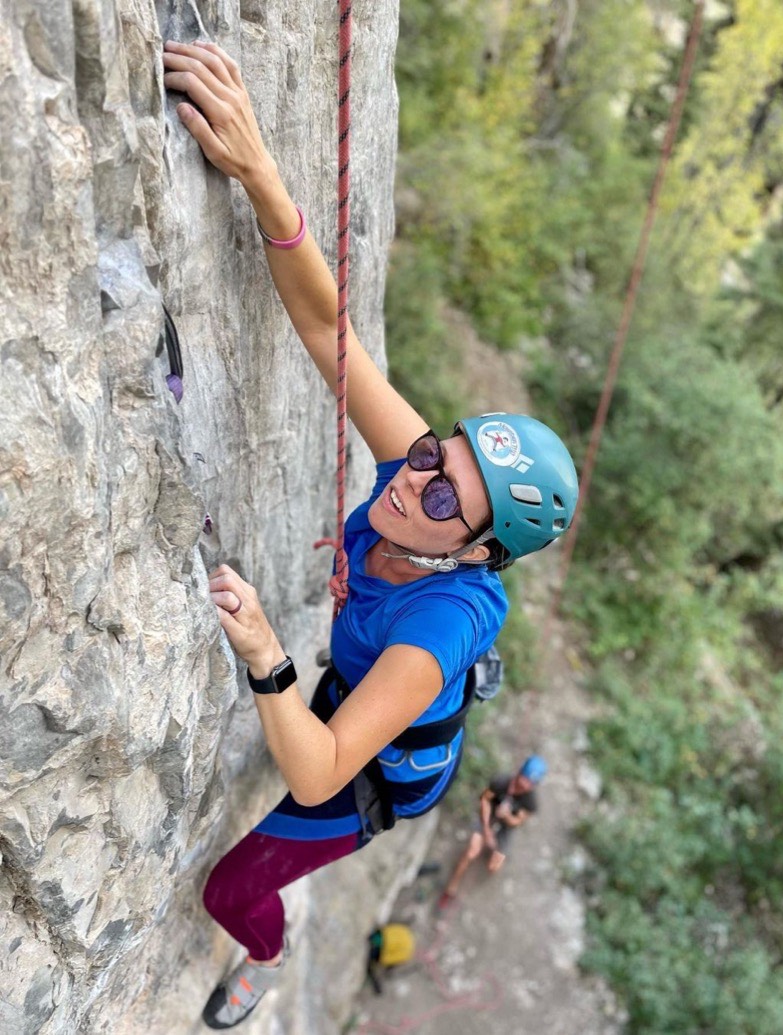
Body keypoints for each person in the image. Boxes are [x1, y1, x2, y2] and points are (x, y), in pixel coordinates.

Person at [161, 39, 578, 1030]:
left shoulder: (438, 629)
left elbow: (317, 772)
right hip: (356, 690)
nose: (416, 485)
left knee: (232, 891)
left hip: (377, 780)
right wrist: (265, 179)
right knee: (322, 716)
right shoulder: (421, 479)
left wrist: (265, 655)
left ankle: (264, 955)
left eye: (446, 500)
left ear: (478, 551)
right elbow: (327, 335)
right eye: (437, 456)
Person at [438, 755, 548, 911]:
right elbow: (484, 800)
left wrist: (507, 816)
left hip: (506, 827)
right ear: (519, 772)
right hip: (489, 816)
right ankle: (451, 888)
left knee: (493, 867)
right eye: (524, 779)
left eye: (529, 783)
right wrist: (487, 831)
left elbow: (518, 821)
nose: (524, 784)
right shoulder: (502, 781)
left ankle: (491, 857)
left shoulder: (531, 802)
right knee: (471, 852)